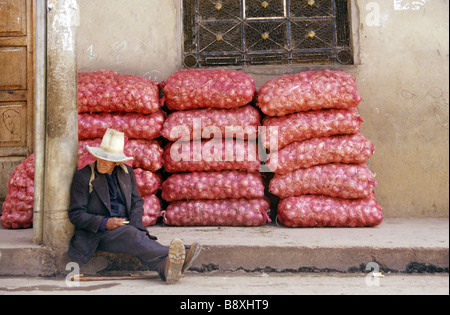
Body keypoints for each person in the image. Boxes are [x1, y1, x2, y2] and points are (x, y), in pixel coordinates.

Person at [68, 128, 201, 284]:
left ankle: (165, 267)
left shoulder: (126, 172)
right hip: (98, 234)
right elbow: (76, 214)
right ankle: (180, 254)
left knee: (135, 235)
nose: (102, 162)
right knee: (132, 235)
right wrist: (106, 223)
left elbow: (136, 201)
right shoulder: (84, 177)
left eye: (107, 159)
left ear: (117, 161)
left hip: (126, 228)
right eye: (99, 157)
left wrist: (135, 224)